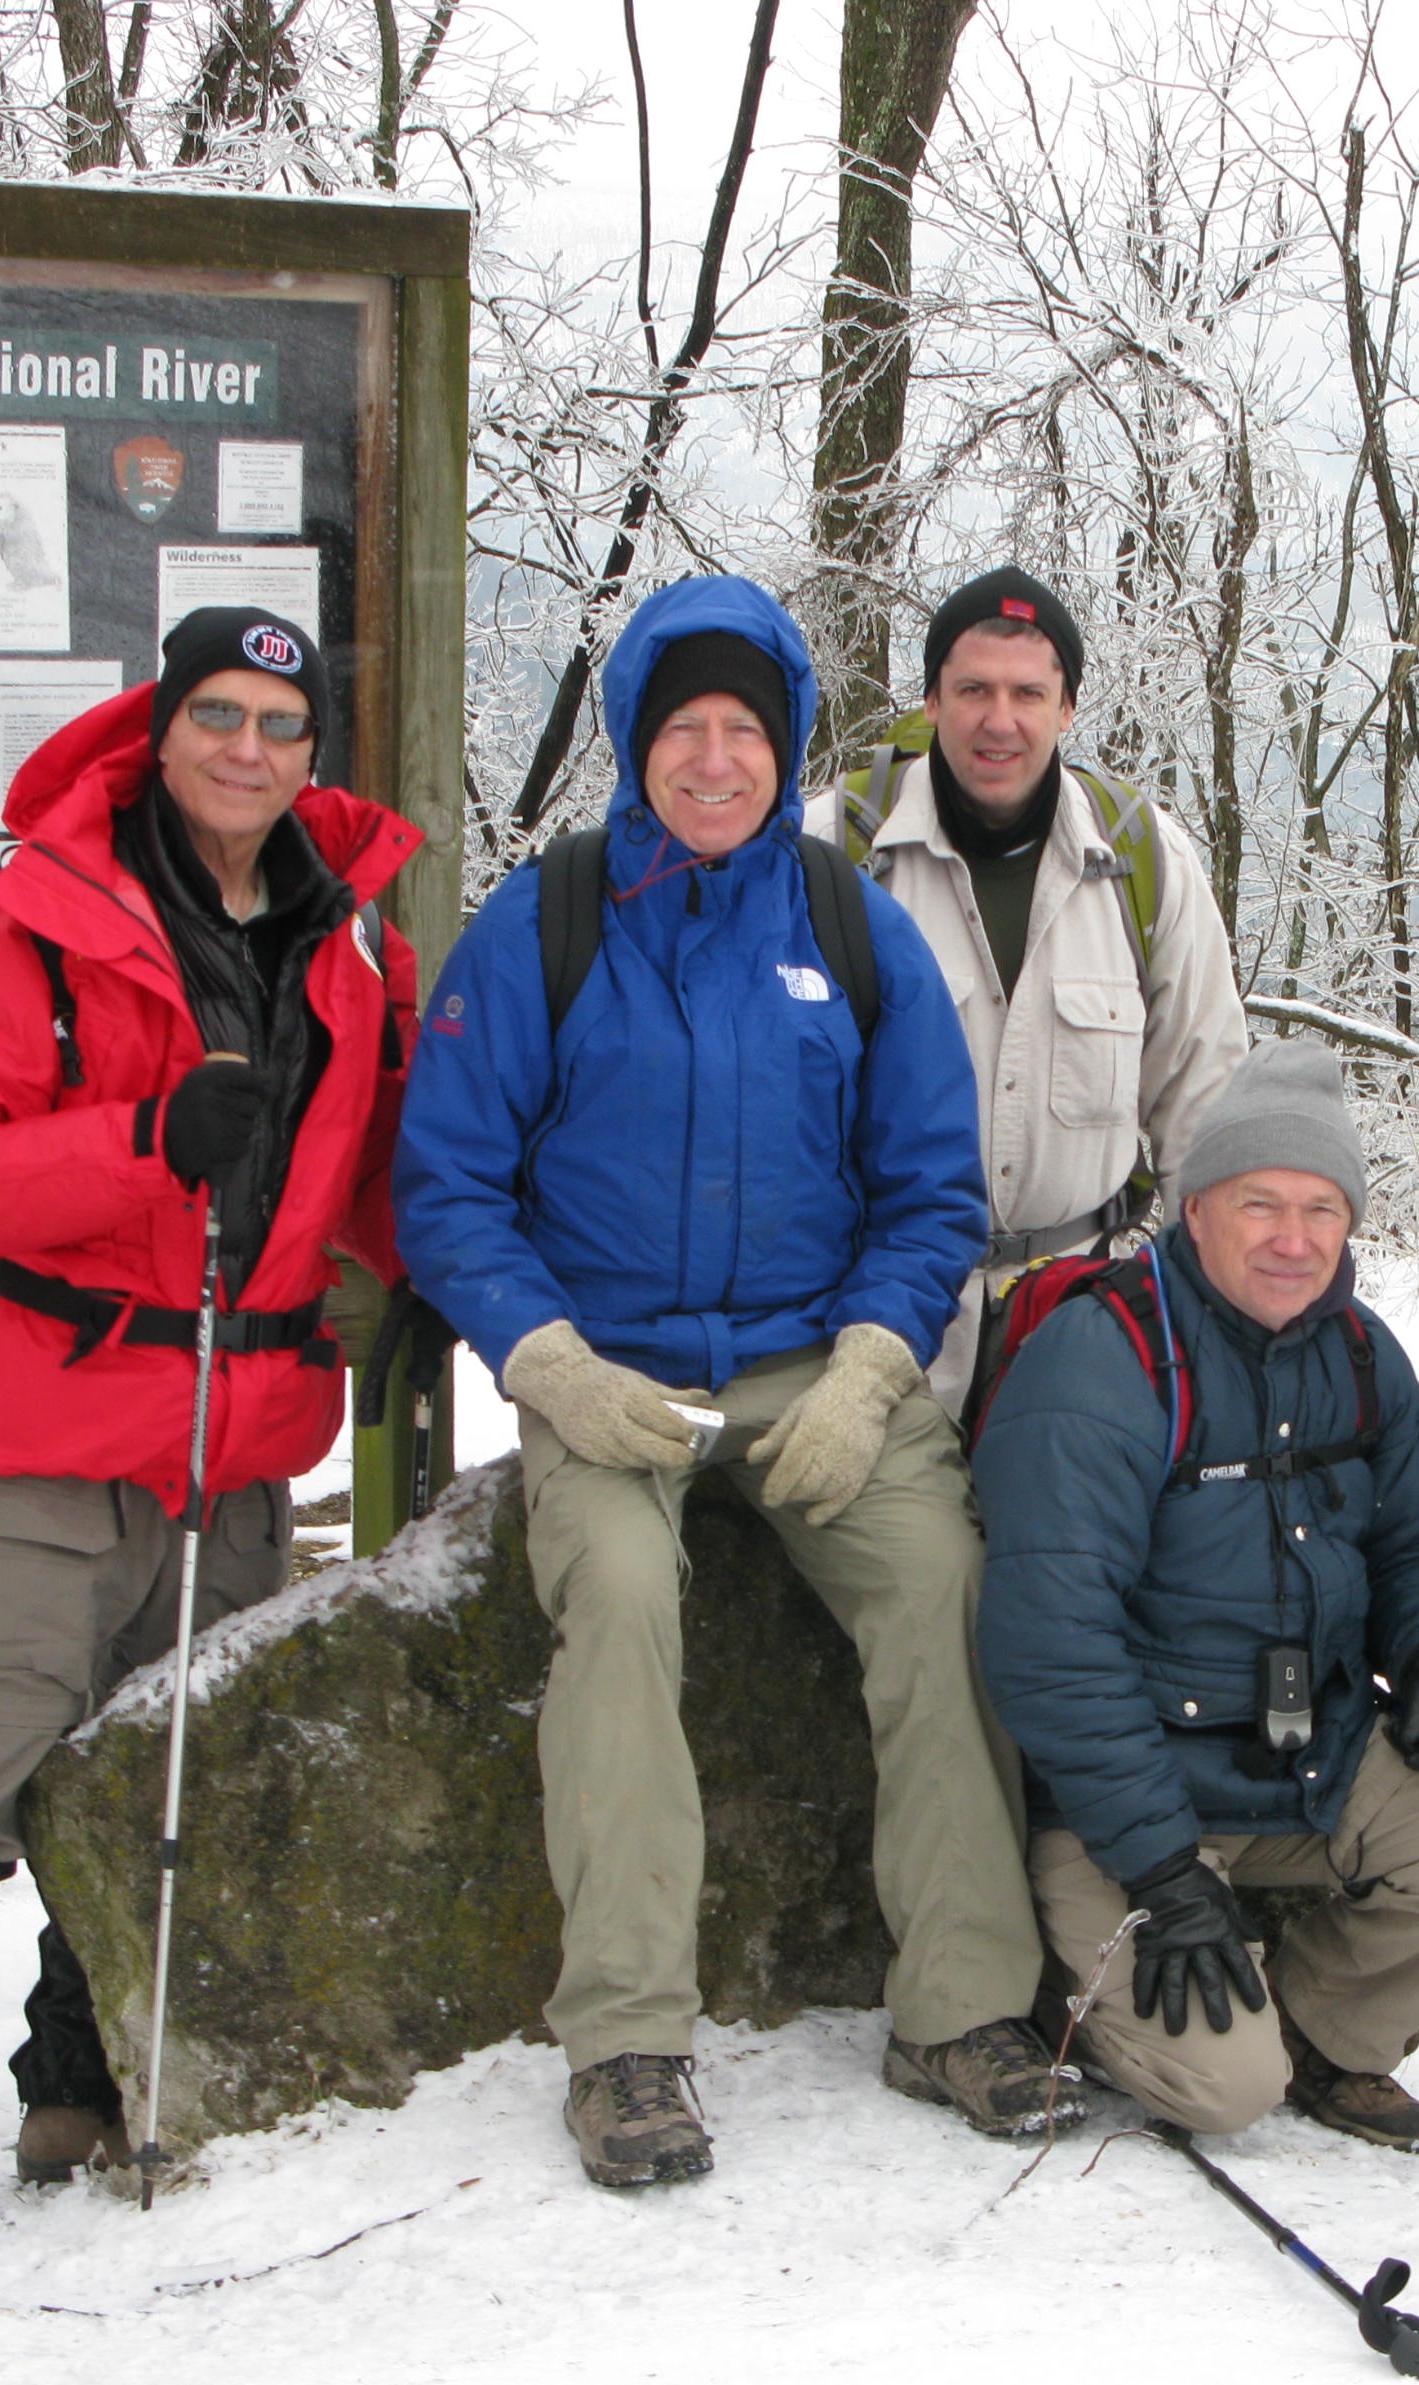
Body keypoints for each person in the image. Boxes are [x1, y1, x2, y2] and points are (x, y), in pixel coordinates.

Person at [392, 574, 1068, 2189]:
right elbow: (448, 1182)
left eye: (744, 732)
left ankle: (962, 2007)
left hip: (811, 1368)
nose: (714, 760)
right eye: (683, 729)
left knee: (943, 1584)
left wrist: (872, 1365)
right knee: (623, 1604)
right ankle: (627, 2039)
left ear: (785, 748)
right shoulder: (545, 921)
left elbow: (929, 1187)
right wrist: (545, 1359)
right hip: (610, 1377)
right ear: (637, 744)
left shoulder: (849, 924)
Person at [0, 607, 420, 2250]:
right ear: (160, 728)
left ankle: (74, 2079)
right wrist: (144, 1140)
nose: (247, 749)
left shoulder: (346, 939)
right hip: (60, 1426)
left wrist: (499, 1278)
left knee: (166, 1772)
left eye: (281, 724)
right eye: (216, 713)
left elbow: (379, 1166)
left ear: (311, 754)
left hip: (241, 1437)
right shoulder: (20, 927)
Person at [974, 1042, 1419, 2150]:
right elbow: (1053, 1645)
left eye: (1321, 1209)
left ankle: (1320, 2037)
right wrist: (1162, 1872)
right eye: (1260, 1204)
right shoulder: (1101, 1358)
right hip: (1120, 1805)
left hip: (1307, 1758)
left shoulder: (1363, 1352)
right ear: (1195, 1210)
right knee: (1224, 2094)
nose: (1294, 1240)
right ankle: (1084, 1989)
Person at [808, 567, 1249, 1409]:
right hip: (870, 1318)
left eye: (1028, 694)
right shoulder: (833, 850)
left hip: (1086, 1321)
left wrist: (1211, 1313)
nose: (999, 720)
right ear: (932, 699)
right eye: (973, 689)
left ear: (1067, 708)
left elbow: (1206, 1103)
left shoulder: (1144, 860)